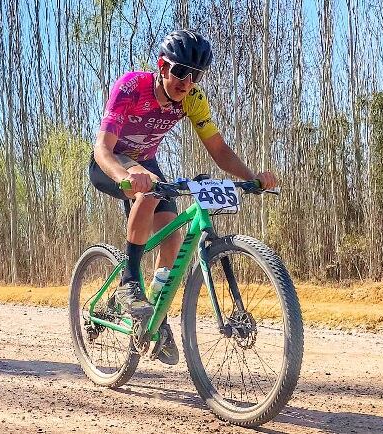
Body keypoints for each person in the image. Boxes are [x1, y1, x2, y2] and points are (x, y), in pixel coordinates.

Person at [89, 30, 278, 365]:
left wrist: (252, 177)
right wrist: (124, 176)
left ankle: (155, 319)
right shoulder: (131, 87)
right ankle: (130, 281)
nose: (187, 82)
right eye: (180, 72)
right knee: (146, 192)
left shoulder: (193, 99)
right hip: (111, 162)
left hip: (145, 164)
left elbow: (218, 148)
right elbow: (102, 148)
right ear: (162, 67)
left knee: (173, 239)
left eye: (196, 75)